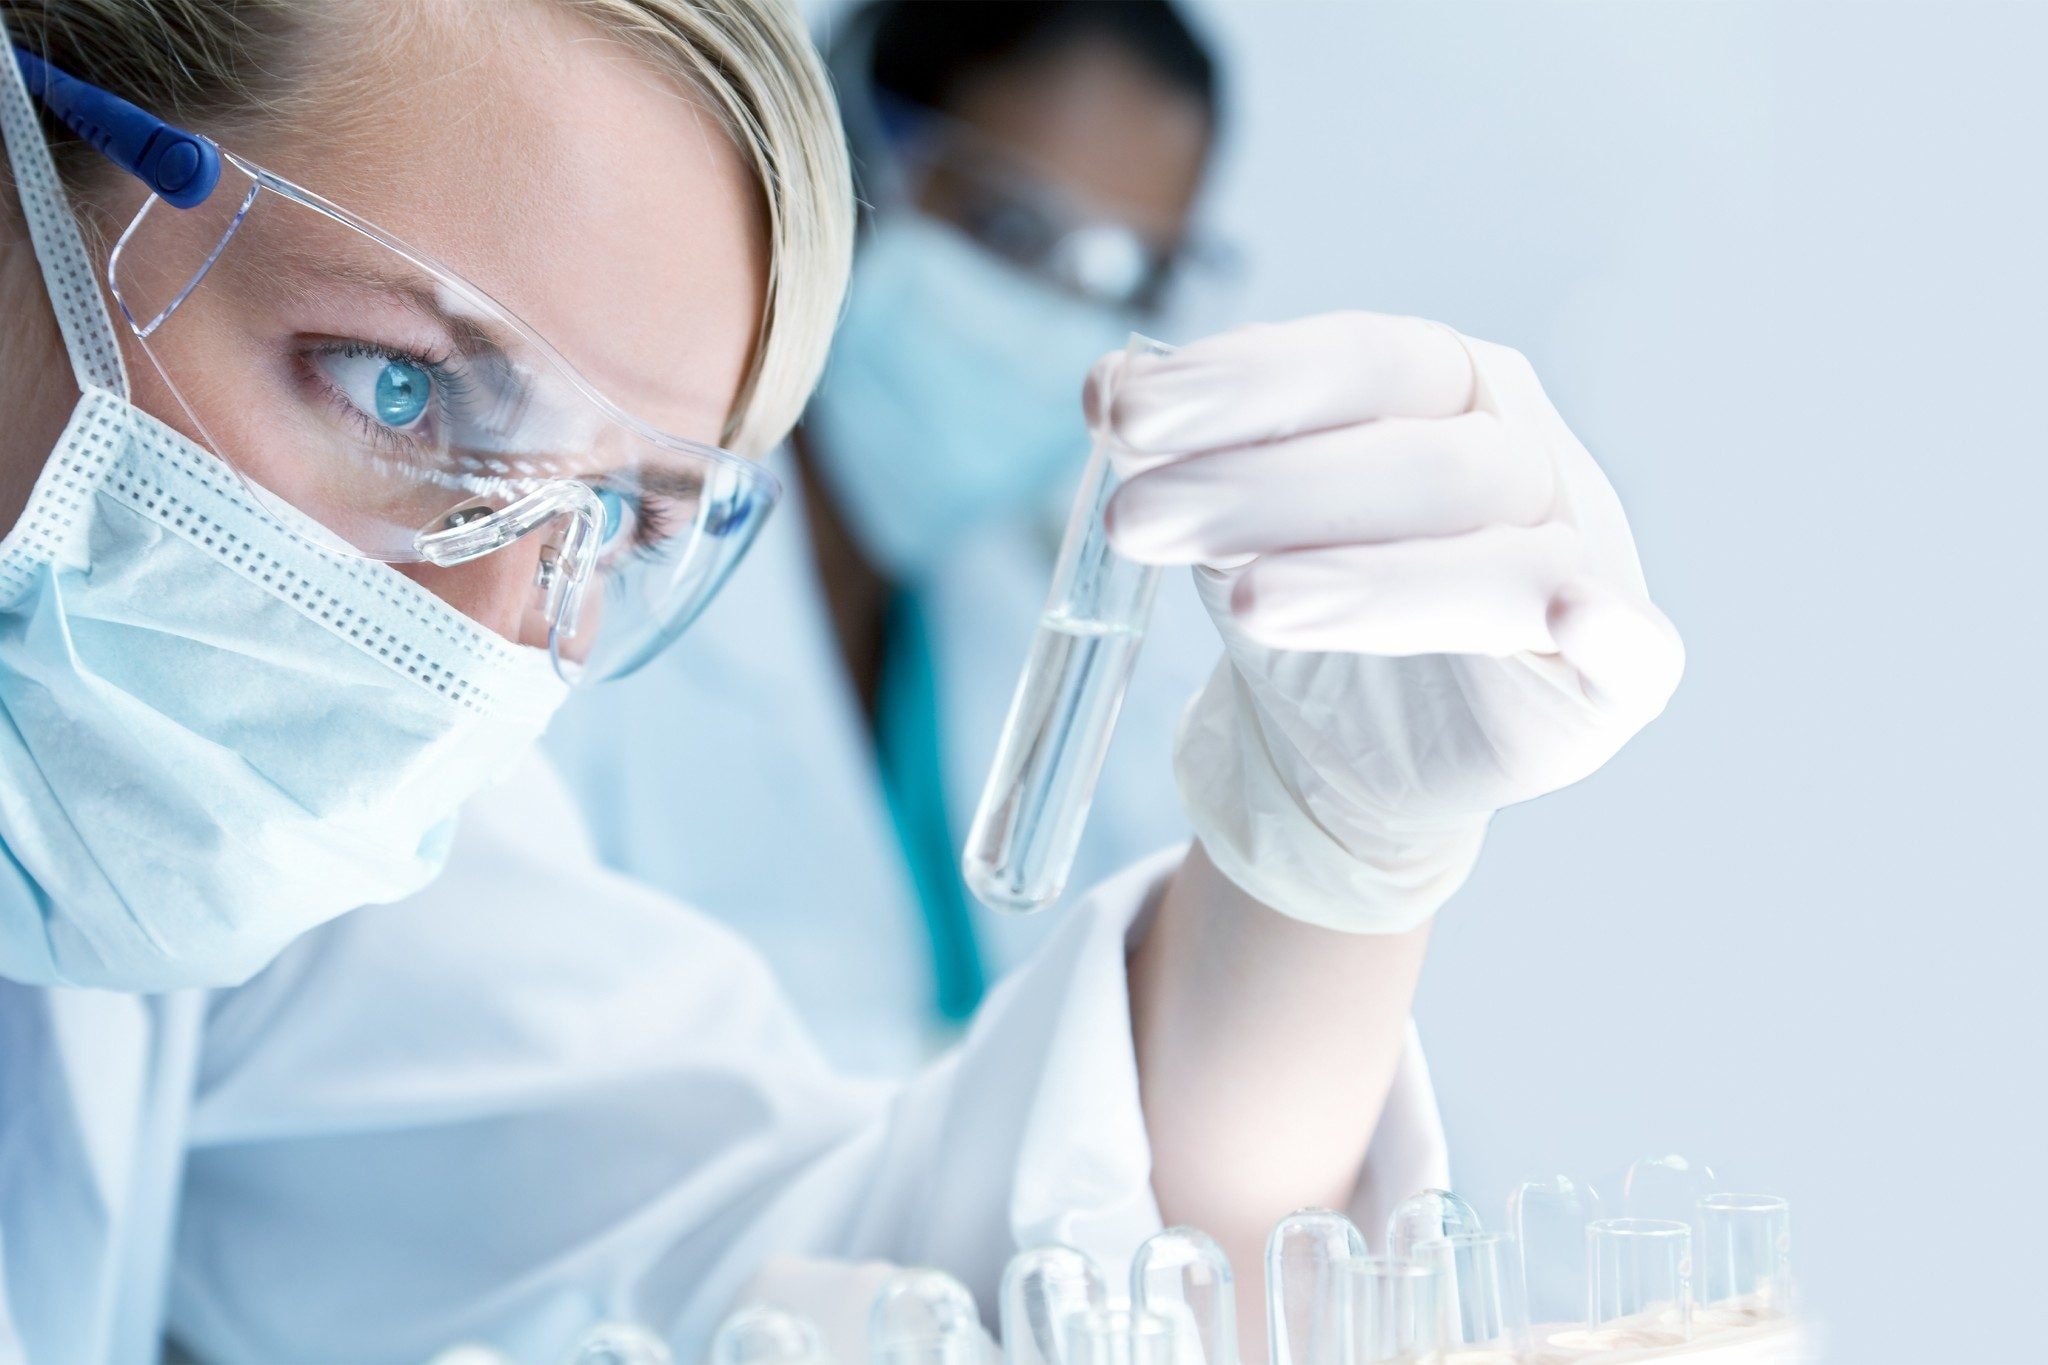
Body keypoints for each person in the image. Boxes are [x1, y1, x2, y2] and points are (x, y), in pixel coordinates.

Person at [0, 2, 1683, 1362]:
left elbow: (806, 1274)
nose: (490, 631)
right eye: (395, 389)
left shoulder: (236, 864)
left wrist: (1325, 866)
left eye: (627, 516)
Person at [544, 0, 1231, 1073]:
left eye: (1126, 278)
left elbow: (1210, 1046)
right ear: (853, 160)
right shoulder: (591, 548)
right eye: (1010, 231)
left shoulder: (1038, 615)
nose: (1052, 324)